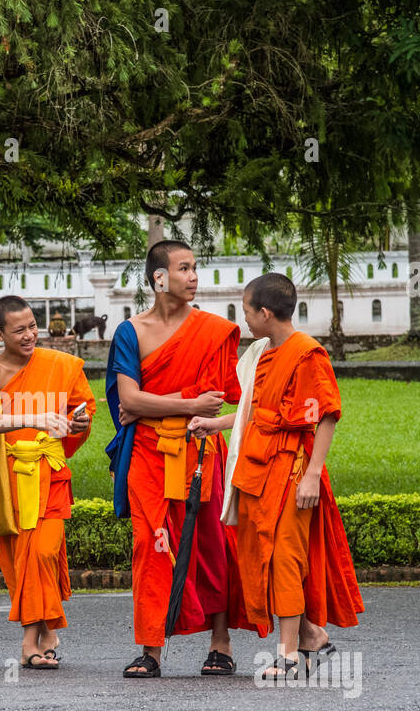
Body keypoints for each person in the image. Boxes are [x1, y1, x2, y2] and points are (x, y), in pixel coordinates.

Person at [189, 272, 364, 681]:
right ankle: (312, 636)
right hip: (256, 468)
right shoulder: (265, 352)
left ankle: (286, 655)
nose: (245, 319)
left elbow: (326, 415)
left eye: (247, 311)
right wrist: (215, 425)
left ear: (265, 313)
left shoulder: (307, 354)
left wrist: (312, 475)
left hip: (290, 470)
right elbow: (256, 412)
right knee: (260, 557)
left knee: (284, 558)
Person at [105, 240, 252, 679]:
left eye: (195, 268)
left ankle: (220, 645)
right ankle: (151, 649)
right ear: (159, 278)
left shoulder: (214, 330)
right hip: (149, 454)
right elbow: (128, 402)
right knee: (149, 547)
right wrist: (187, 403)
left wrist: (156, 403)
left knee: (212, 545)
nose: (193, 277)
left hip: (201, 450)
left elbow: (221, 401)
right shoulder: (132, 332)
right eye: (184, 269)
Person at [0, 295, 95, 669]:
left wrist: (78, 423)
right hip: (6, 482)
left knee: (43, 553)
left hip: (50, 475)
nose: (29, 335)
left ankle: (29, 639)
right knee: (19, 563)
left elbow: (79, 411)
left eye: (32, 326)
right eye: (19, 330)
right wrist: (36, 419)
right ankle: (45, 631)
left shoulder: (61, 365)